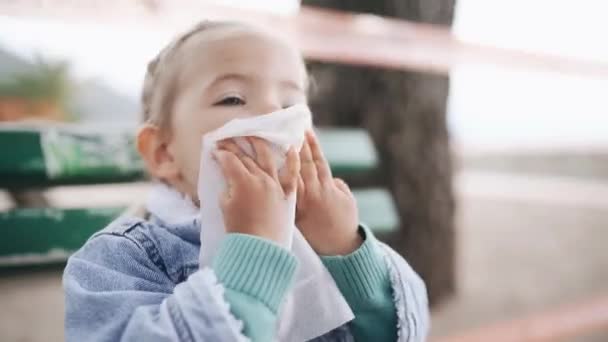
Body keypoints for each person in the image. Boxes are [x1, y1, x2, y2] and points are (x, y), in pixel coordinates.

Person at [63, 20, 429, 341]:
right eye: (233, 98)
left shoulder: (319, 238)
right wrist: (254, 249)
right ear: (164, 153)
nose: (273, 113)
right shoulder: (120, 259)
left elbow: (404, 330)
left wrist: (346, 250)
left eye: (290, 104)